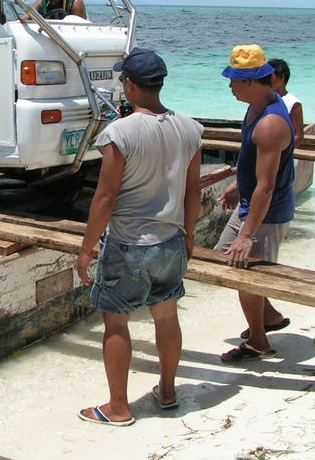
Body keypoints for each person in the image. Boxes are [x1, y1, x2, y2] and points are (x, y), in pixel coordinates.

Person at [75, 47, 202, 426]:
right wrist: (190, 234)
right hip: (171, 240)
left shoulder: (119, 132)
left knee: (116, 324)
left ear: (129, 84)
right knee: (166, 317)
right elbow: (192, 191)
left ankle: (118, 407)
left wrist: (86, 247)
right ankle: (166, 391)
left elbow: (107, 196)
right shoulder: (191, 128)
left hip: (129, 244)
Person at [217, 44, 295, 362]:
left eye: (233, 80)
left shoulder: (270, 123)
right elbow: (255, 165)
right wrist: (238, 183)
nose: (229, 85)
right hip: (251, 204)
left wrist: (247, 234)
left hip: (266, 212)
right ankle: (271, 316)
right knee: (227, 255)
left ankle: (259, 342)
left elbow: (266, 186)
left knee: (244, 272)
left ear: (250, 81)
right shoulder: (257, 106)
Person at [268, 58, 304, 147]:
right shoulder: (263, 100)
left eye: (269, 77)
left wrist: (282, 152)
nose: (265, 81)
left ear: (282, 78)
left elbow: (299, 135)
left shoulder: (293, 103)